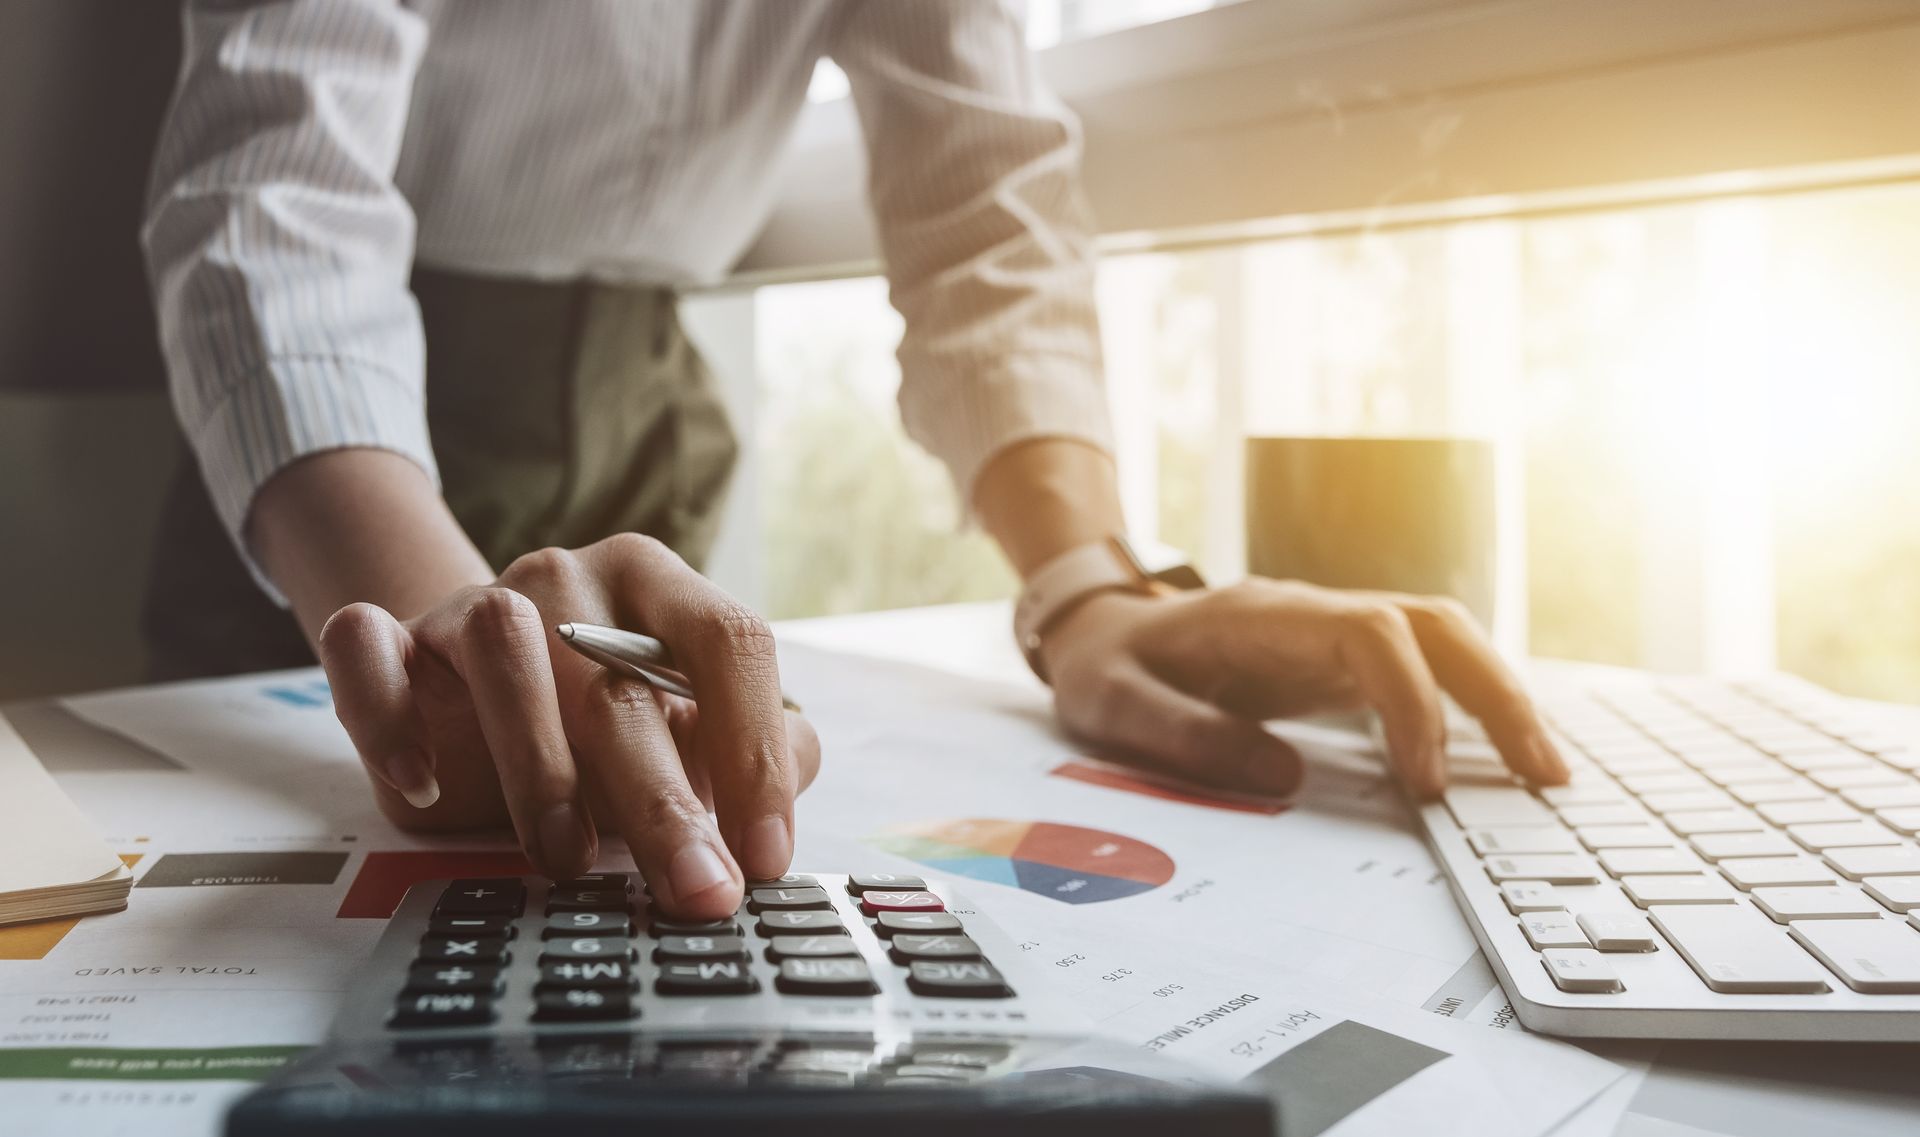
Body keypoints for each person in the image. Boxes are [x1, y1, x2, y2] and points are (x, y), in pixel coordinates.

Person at [141, 0, 1567, 921]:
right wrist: (446, 622)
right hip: (343, 472)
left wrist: (1089, 586)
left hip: (647, 407)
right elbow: (279, 198)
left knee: (641, 875)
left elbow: (983, 204)